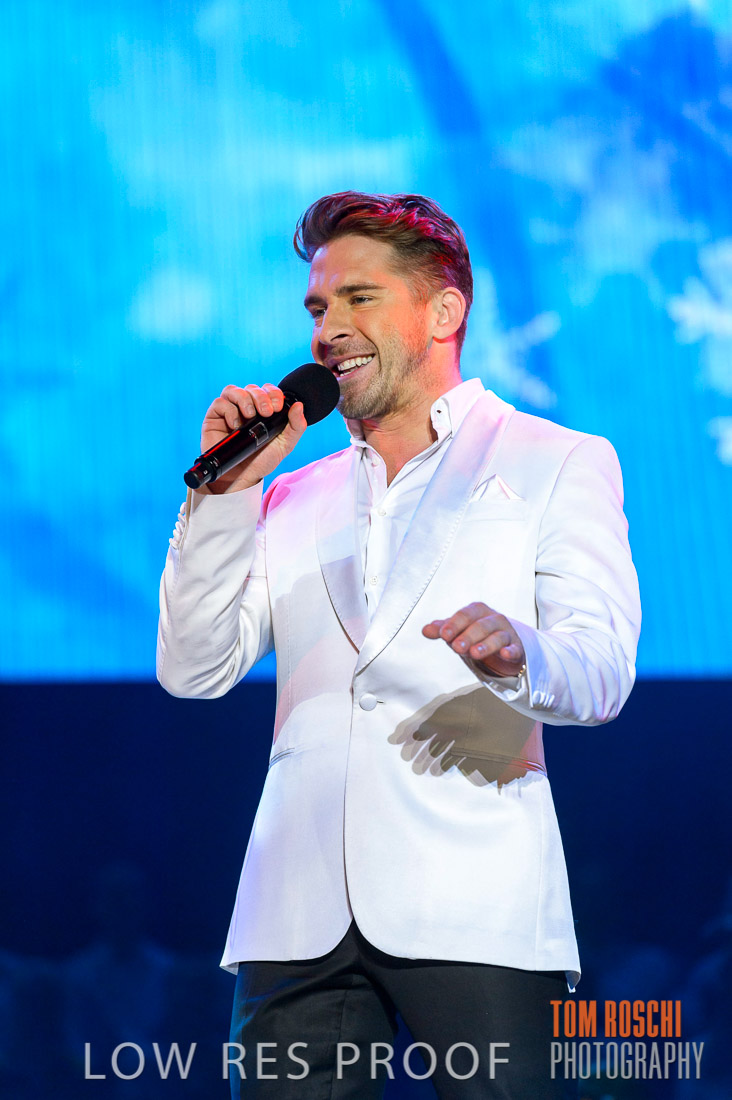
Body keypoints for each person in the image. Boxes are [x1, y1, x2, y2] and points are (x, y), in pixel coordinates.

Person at [157, 192, 641, 1099]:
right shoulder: (289, 494)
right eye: (318, 307)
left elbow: (603, 668)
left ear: (443, 310)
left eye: (359, 298)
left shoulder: (554, 459)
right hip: (295, 912)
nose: (328, 329)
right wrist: (222, 496)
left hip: (474, 900)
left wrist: (521, 654)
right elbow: (193, 669)